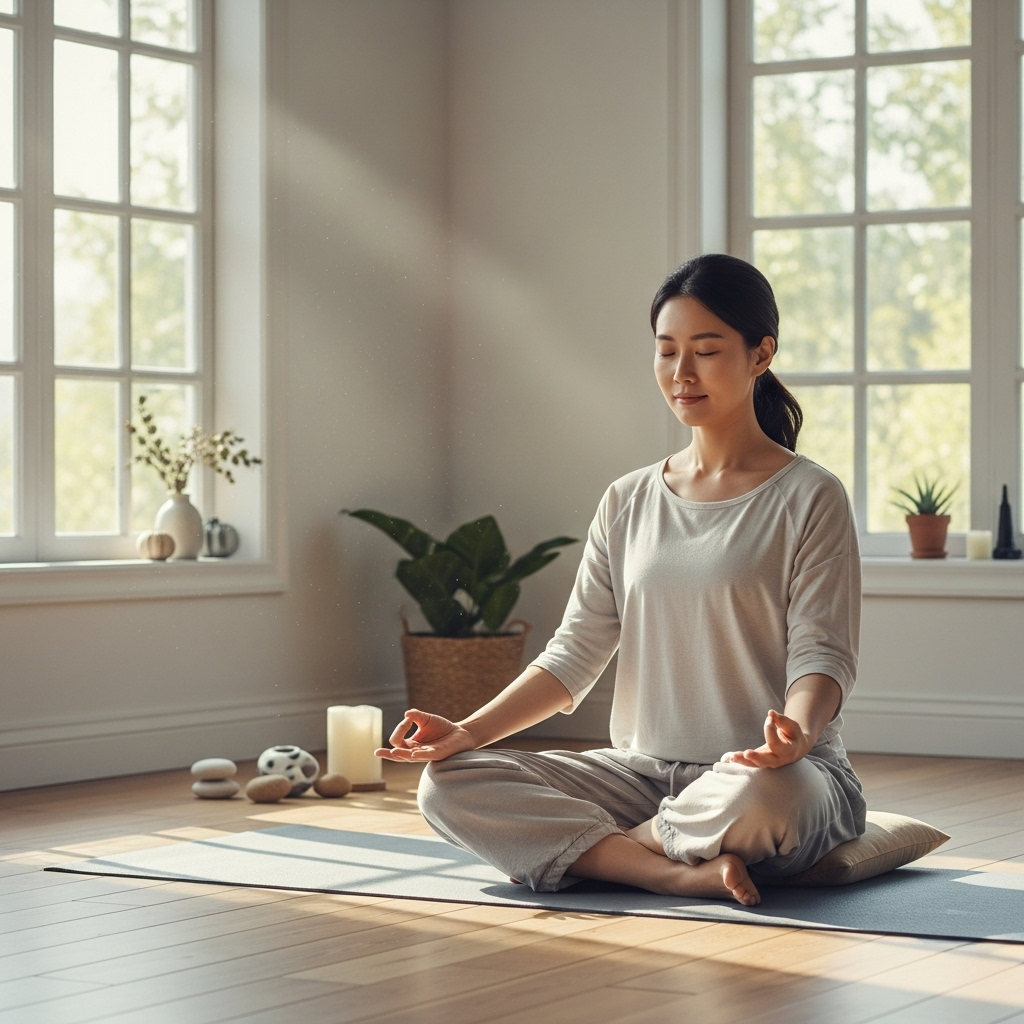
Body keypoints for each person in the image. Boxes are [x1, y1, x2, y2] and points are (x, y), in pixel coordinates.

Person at [375, 253, 866, 907]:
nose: (681, 373)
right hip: (641, 775)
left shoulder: (810, 496)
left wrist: (796, 736)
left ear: (760, 354)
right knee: (447, 782)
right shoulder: (628, 499)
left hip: (772, 779)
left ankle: (609, 850)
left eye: (707, 350)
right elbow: (574, 653)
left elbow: (822, 657)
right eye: (667, 352)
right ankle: (667, 868)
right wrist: (468, 733)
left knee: (770, 796)